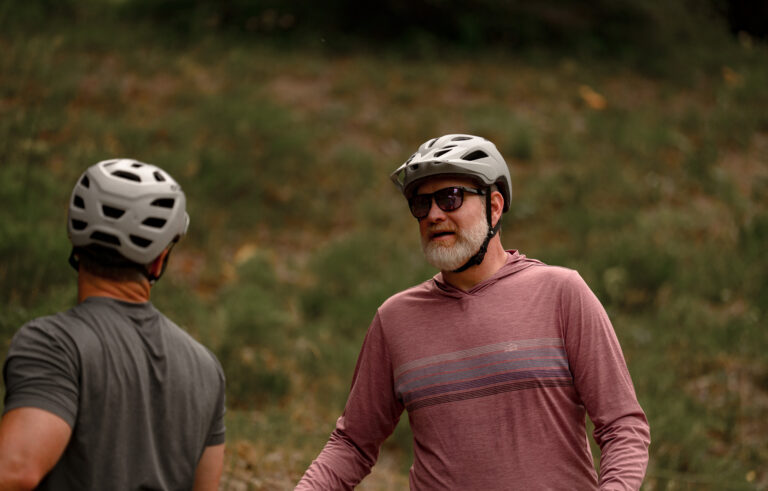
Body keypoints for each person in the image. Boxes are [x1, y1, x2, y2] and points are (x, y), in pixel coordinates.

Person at [297, 134, 650, 490]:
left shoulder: (561, 293)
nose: (434, 215)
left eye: (450, 198)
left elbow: (623, 426)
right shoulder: (395, 319)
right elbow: (353, 444)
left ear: (494, 207)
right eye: (421, 204)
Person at [0, 159, 226, 490]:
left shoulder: (53, 343)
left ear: (75, 239)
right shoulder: (206, 369)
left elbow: (16, 470)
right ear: (160, 257)